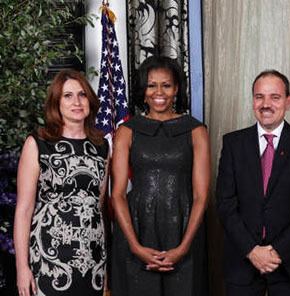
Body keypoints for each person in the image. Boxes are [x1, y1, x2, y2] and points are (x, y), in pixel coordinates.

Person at [216, 70, 290, 295]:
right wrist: (251, 250)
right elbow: (225, 204)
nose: (266, 104)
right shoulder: (233, 144)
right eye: (259, 97)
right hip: (242, 261)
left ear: (288, 101)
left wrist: (277, 251)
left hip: (288, 263)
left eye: (274, 97)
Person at [111, 56, 210, 296]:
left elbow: (201, 195)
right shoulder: (126, 131)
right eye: (151, 85)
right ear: (143, 91)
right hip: (137, 229)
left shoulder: (196, 130)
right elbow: (118, 194)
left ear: (176, 89)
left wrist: (183, 247)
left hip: (184, 229)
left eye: (166, 85)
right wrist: (135, 247)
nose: (159, 92)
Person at [14, 70, 110, 296]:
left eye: (82, 95)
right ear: (56, 103)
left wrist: (104, 266)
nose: (76, 102)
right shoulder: (38, 143)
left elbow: (98, 208)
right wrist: (22, 268)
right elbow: (24, 210)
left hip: (92, 262)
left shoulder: (102, 147)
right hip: (49, 260)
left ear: (90, 100)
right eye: (67, 96)